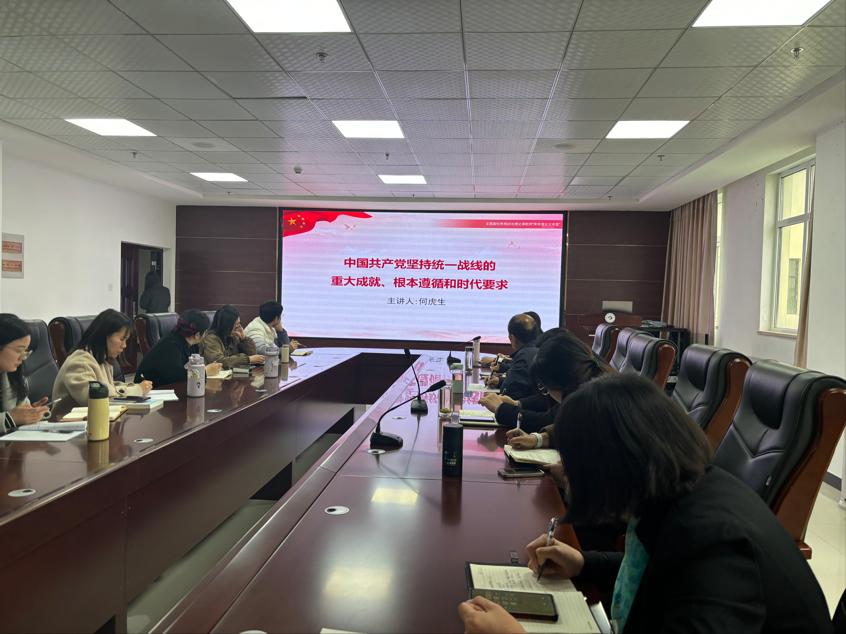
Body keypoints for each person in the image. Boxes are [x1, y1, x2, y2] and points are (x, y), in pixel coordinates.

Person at [459, 374, 833, 634]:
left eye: (572, 459)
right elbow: (666, 571)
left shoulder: (715, 542)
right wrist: (585, 563)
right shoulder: (687, 492)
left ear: (611, 463)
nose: (564, 470)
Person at [480, 329, 609, 436]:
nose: (546, 393)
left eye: (544, 387)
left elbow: (549, 420)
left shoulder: (588, 402)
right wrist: (517, 404)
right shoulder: (592, 384)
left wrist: (502, 410)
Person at [52, 309, 152, 406]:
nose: (124, 345)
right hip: (74, 417)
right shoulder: (80, 362)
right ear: (104, 335)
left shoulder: (101, 359)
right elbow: (96, 398)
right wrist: (137, 390)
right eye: (122, 339)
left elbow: (109, 387)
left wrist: (136, 387)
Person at [134, 310, 222, 387]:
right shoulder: (170, 344)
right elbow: (176, 376)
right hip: (150, 389)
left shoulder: (191, 344)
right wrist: (205, 371)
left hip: (170, 387)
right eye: (205, 331)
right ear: (198, 335)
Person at [0, 314, 49, 431]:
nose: (23, 357)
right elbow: (12, 416)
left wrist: (30, 412)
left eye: (26, 351)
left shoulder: (12, 375)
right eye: (19, 351)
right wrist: (10, 418)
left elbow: (18, 408)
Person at [486, 314, 538, 400]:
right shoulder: (537, 351)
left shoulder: (522, 358)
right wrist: (500, 381)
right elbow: (524, 384)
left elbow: (508, 392)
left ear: (512, 337)